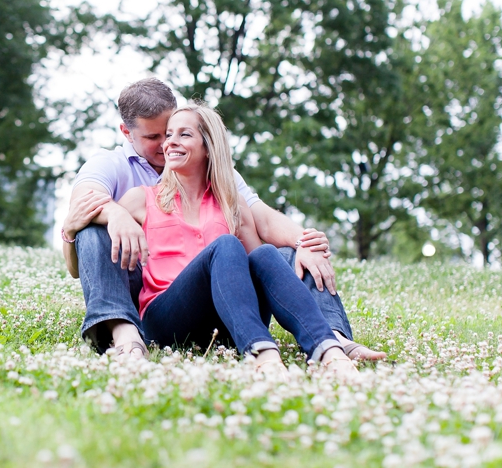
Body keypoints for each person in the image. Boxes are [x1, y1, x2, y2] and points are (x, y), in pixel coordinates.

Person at [62, 78, 385, 361]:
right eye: (155, 136)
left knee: (284, 254)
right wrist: (116, 213)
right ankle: (124, 331)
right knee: (94, 228)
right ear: (126, 132)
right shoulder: (113, 167)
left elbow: (262, 221)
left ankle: (333, 338)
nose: (166, 143)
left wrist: (305, 241)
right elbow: (81, 213)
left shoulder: (221, 180)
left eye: (175, 131)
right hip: (140, 280)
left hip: (215, 285)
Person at [116, 102, 357, 377]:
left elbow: (259, 268)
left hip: (226, 327)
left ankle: (329, 350)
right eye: (169, 134)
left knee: (265, 254)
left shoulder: (232, 203)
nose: (170, 142)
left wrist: (301, 245)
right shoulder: (141, 199)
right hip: (166, 321)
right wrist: (108, 215)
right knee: (227, 245)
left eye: (184, 134)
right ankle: (262, 355)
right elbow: (97, 224)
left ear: (208, 146)